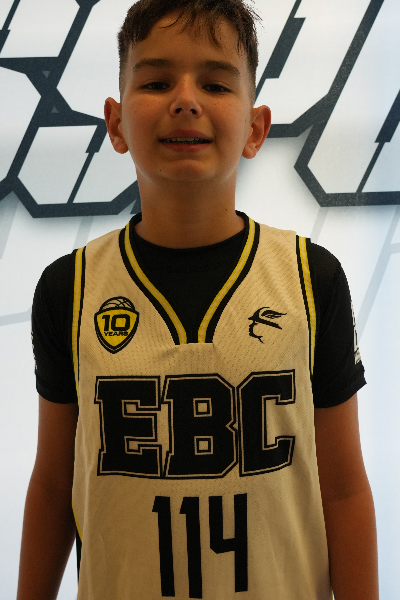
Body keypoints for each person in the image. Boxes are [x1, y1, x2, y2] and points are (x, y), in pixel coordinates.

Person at [17, 1, 379, 599]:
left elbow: (342, 490)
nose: (185, 100)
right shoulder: (69, 288)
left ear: (255, 129)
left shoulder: (311, 279)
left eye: (214, 84)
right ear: (115, 123)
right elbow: (55, 487)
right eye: (157, 82)